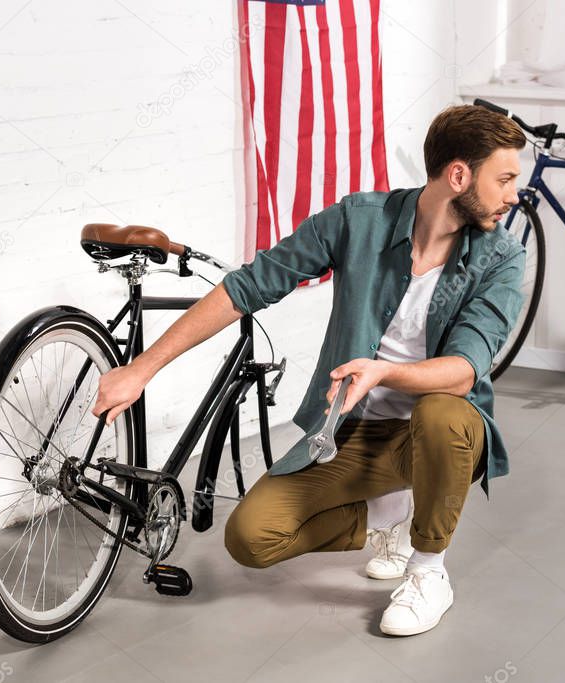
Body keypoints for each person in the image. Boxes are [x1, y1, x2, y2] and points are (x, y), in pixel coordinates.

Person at [91, 103, 527, 636]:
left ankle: (428, 571)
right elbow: (249, 286)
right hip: (350, 431)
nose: (512, 195)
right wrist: (142, 368)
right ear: (459, 175)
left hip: (438, 433)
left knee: (441, 414)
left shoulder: (501, 255)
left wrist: (381, 372)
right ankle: (388, 516)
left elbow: (464, 370)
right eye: (504, 179)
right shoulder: (360, 219)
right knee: (250, 539)